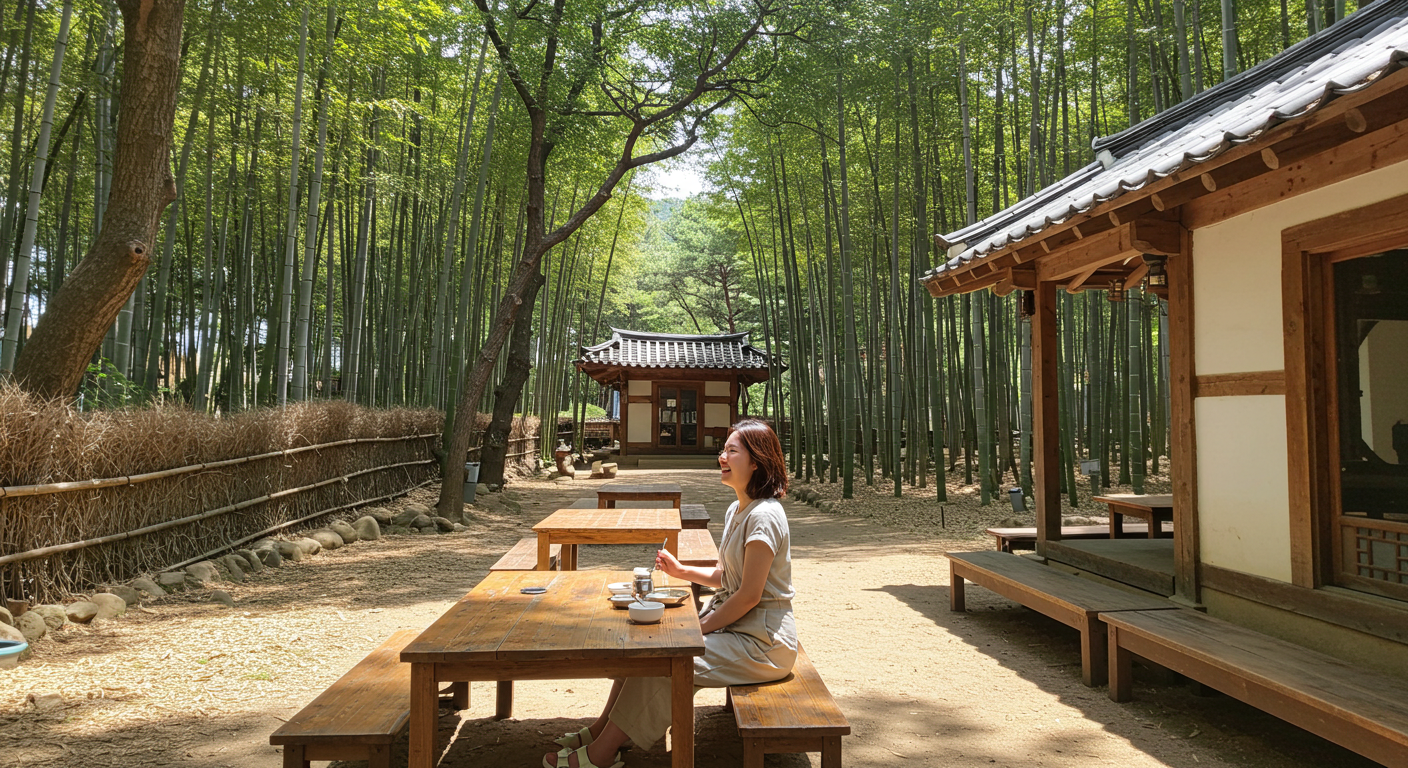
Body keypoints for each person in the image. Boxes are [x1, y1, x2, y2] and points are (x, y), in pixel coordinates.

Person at [543, 419, 798, 768]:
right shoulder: (738, 509)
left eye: (732, 451)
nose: (722, 457)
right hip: (739, 630)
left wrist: (696, 630)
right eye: (723, 450)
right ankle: (602, 733)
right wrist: (681, 571)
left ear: (756, 461)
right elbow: (729, 577)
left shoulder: (764, 517)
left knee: (669, 661)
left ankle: (602, 754)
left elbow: (749, 596)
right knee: (648, 651)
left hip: (763, 643)